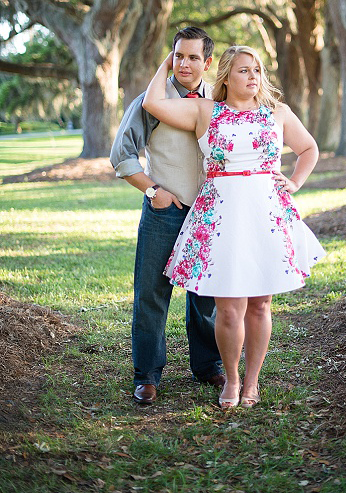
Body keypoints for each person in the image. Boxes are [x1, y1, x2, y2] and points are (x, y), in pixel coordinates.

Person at [142, 44, 324, 409]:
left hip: (266, 213)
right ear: (225, 76)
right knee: (228, 307)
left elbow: (309, 149)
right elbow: (153, 103)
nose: (253, 76)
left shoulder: (278, 113)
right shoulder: (205, 110)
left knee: (260, 304)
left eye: (257, 69)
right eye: (244, 70)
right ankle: (232, 378)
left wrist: (294, 182)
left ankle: (252, 382)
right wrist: (171, 59)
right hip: (221, 214)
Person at [110, 26, 224, 405]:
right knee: (152, 295)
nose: (185, 63)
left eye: (194, 57)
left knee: (205, 295)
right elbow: (121, 155)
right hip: (164, 213)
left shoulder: (220, 101)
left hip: (207, 213)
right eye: (179, 55)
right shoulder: (150, 102)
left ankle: (208, 366)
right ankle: (147, 375)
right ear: (170, 59)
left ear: (207, 63)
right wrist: (152, 191)